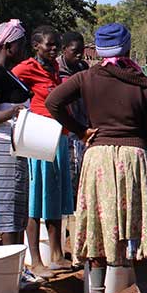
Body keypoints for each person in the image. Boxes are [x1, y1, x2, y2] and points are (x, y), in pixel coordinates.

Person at [46, 23, 147, 293]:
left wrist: (80, 131)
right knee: (138, 224)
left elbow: (53, 102)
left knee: (99, 224)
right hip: (135, 157)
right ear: (126, 47)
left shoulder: (86, 78)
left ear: (98, 50)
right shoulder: (143, 83)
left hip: (98, 157)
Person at [0, 19, 40, 290]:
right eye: (20, 43)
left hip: (17, 148)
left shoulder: (9, 74)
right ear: (8, 46)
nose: (23, 47)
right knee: (7, 212)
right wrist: (13, 113)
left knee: (18, 212)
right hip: (4, 150)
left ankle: (17, 270)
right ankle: (9, 276)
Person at [12, 26, 75, 276]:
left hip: (57, 136)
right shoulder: (27, 68)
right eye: (48, 45)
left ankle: (57, 255)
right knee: (36, 199)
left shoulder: (55, 68)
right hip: (37, 138)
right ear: (36, 46)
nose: (53, 49)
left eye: (55, 45)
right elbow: (10, 86)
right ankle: (36, 260)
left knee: (54, 195)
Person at [58, 32, 90, 195]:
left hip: (83, 125)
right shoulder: (57, 70)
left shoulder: (83, 68)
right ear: (64, 49)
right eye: (74, 50)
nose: (79, 54)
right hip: (64, 129)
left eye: (82, 50)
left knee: (82, 171)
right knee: (69, 171)